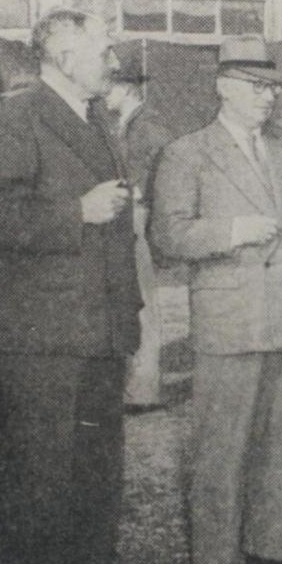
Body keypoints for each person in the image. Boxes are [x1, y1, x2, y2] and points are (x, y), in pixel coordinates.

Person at [0, 9, 144, 564]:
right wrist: (78, 211)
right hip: (42, 335)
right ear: (65, 53)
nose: (114, 60)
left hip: (98, 329)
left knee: (96, 465)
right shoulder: (17, 114)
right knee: (40, 471)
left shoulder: (94, 115)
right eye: (104, 48)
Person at [152, 35, 282, 564]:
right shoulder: (188, 152)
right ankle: (216, 561)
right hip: (231, 320)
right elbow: (167, 234)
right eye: (257, 88)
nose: (268, 99)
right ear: (222, 88)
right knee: (222, 444)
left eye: (274, 89)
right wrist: (230, 232)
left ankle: (274, 545)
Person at [103, 46, 173, 413]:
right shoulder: (127, 122)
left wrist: (139, 191)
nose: (104, 93)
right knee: (130, 299)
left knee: (141, 301)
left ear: (127, 89)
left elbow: (160, 170)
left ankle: (144, 390)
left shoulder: (147, 124)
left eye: (110, 87)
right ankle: (135, 385)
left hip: (137, 215)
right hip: (127, 215)